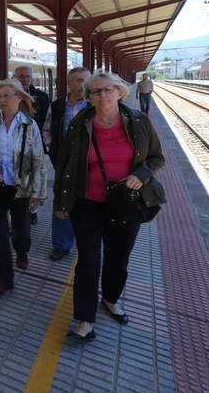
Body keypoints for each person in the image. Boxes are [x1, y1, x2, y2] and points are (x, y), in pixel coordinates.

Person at [53, 71, 164, 341]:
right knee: (88, 262)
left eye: (108, 90)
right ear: (89, 97)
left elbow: (156, 157)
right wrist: (61, 202)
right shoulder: (80, 123)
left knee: (118, 258)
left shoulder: (138, 121)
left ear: (120, 92)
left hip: (125, 203)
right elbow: (65, 165)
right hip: (88, 203)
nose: (102, 95)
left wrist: (142, 174)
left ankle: (111, 299)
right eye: (96, 91)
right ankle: (84, 319)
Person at [0, 78, 47, 298]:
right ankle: (4, 279)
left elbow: (38, 160)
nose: (3, 100)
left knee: (21, 230)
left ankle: (22, 251)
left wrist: (38, 192)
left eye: (7, 95)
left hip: (20, 188)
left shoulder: (29, 125)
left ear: (19, 97)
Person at [44, 67, 91, 261]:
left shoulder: (94, 105)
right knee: (61, 201)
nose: (83, 85)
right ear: (69, 83)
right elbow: (47, 130)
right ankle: (61, 245)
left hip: (89, 164)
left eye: (87, 81)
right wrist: (54, 154)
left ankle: (86, 242)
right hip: (62, 163)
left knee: (86, 203)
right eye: (79, 80)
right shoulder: (57, 106)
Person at [13, 65, 50, 225]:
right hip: (12, 145)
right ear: (15, 77)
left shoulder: (41, 96)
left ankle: (32, 211)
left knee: (35, 178)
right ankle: (15, 210)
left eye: (27, 76)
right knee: (14, 178)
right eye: (21, 76)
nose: (25, 79)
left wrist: (46, 142)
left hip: (35, 144)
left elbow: (47, 122)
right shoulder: (8, 95)